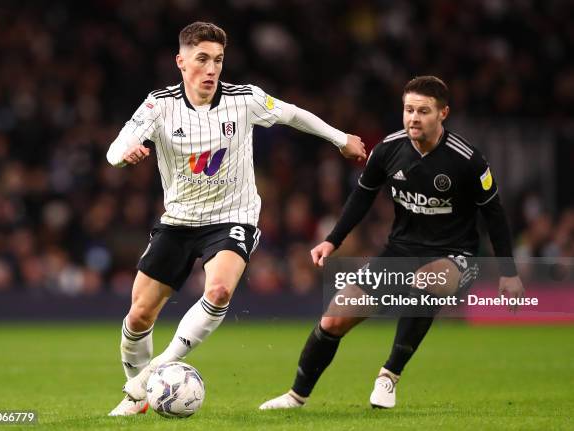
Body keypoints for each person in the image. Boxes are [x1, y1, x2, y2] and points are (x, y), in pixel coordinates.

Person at [106, 21, 366, 416]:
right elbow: (115, 149)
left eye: (218, 60)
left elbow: (293, 114)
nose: (211, 69)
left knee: (220, 291)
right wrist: (126, 154)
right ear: (181, 62)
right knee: (139, 314)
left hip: (232, 217)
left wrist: (340, 138)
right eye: (202, 60)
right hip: (178, 220)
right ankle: (139, 398)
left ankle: (152, 375)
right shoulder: (159, 105)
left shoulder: (245, 100)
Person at [259, 76, 525, 411]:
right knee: (333, 320)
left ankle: (389, 376)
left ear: (443, 113)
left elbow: (495, 215)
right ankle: (296, 397)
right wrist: (332, 241)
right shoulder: (388, 150)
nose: (414, 117)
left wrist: (508, 272)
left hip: (455, 255)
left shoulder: (467, 160)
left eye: (423, 111)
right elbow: (361, 198)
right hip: (400, 252)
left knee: (428, 281)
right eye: (409, 109)